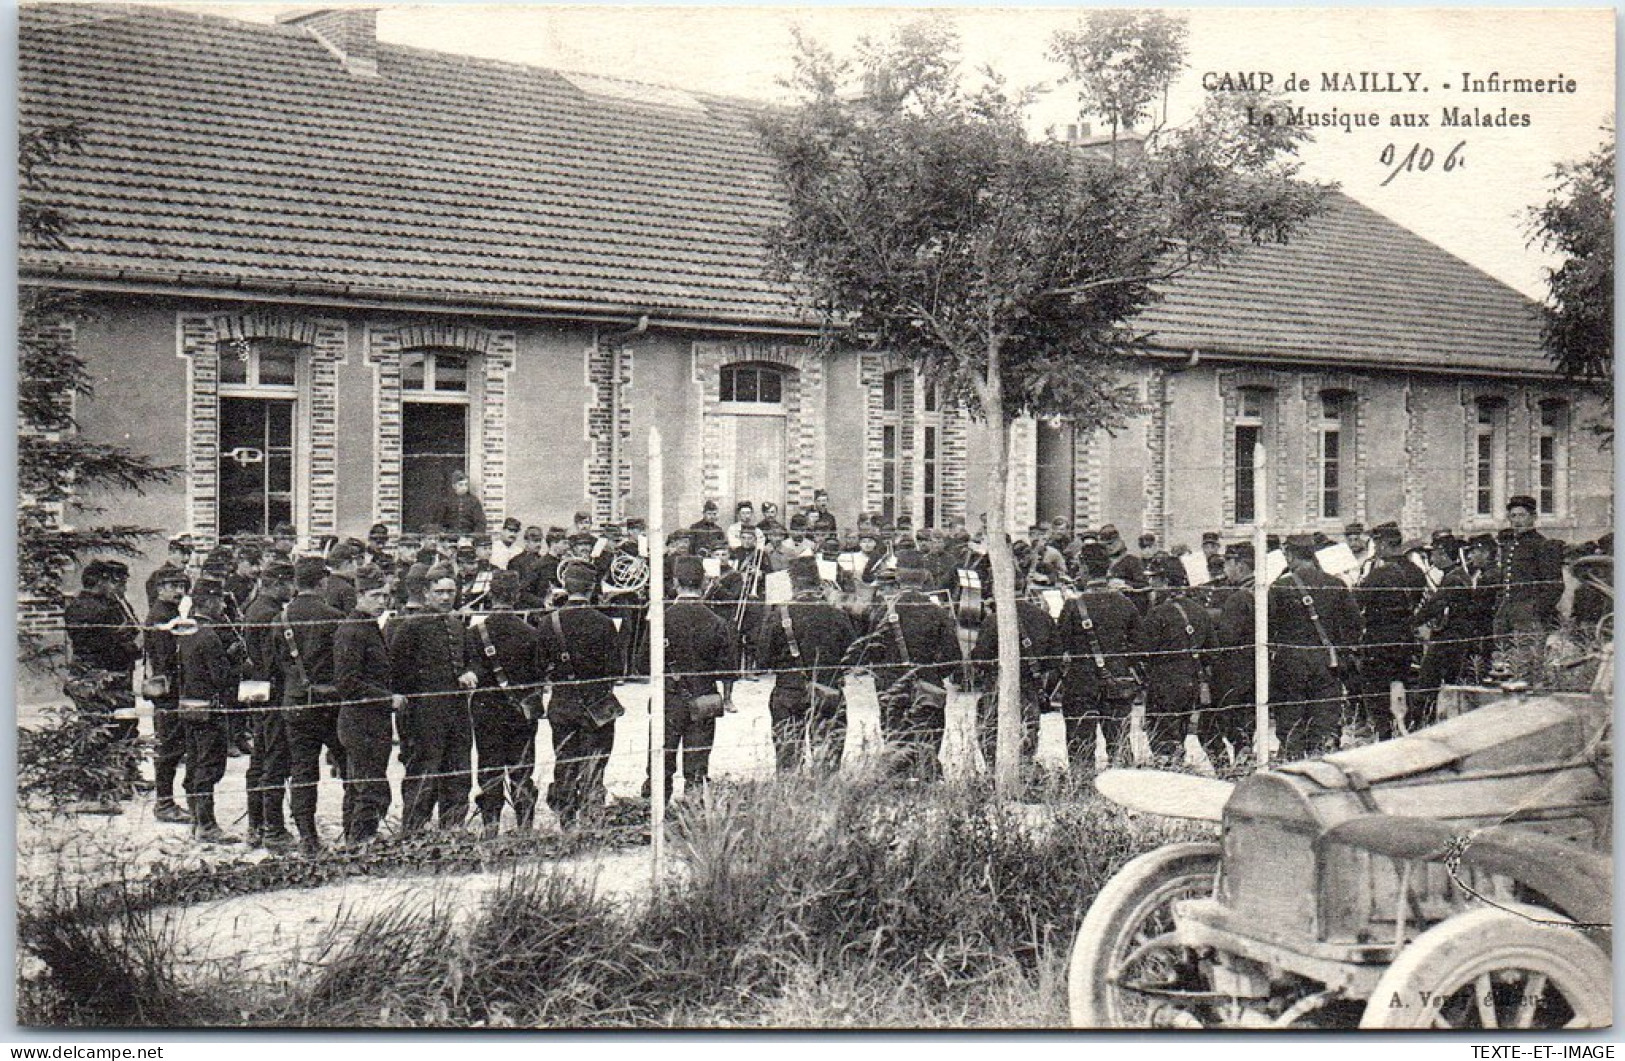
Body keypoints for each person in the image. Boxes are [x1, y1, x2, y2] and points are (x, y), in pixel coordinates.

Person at [860, 549, 962, 781]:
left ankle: (897, 785)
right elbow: (953, 656)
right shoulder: (937, 612)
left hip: (892, 684)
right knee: (927, 740)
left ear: (898, 577)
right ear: (925, 576)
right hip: (928, 683)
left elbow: (870, 652)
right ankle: (925, 783)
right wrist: (932, 673)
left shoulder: (882, 611)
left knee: (896, 741)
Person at [641, 556, 736, 800]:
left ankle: (656, 819)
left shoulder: (661, 619)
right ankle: (691, 818)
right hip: (703, 698)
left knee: (661, 764)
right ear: (703, 582)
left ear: (675, 583)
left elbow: (642, 665)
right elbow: (727, 669)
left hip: (667, 698)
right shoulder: (717, 622)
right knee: (696, 768)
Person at [536, 562, 622, 827]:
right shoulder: (606, 623)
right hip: (597, 703)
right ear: (592, 588)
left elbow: (541, 666)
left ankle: (566, 820)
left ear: (566, 587)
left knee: (565, 760)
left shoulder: (548, 622)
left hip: (563, 703)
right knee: (596, 762)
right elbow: (617, 670)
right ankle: (592, 817)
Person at [389, 573, 476, 836]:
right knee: (423, 773)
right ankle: (415, 832)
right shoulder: (410, 626)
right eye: (440, 592)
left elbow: (468, 660)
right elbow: (398, 671)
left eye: (451, 591)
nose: (446, 597)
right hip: (424, 713)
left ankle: (453, 829)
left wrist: (469, 672)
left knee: (458, 771)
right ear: (427, 593)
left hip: (456, 710)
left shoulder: (457, 625)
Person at [758, 555, 857, 772]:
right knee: (828, 763)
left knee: (788, 762)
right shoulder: (837, 614)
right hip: (828, 689)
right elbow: (854, 656)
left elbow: (762, 660)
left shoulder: (778, 615)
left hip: (788, 691)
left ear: (792, 584)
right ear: (820, 582)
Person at [279, 556, 348, 855]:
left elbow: (276, 663)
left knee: (303, 770)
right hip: (331, 702)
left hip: (295, 701)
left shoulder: (280, 618)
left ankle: (308, 837)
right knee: (348, 765)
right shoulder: (334, 617)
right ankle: (353, 830)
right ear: (322, 582)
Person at [1269, 534, 1361, 760]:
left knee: (1291, 721)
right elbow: (1355, 624)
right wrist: (1340, 649)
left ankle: (1293, 765)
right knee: (1324, 721)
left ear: (1289, 555)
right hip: (1326, 661)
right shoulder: (1336, 584)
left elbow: (1268, 626)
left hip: (1291, 660)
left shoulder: (1281, 587)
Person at [466, 571, 541, 836]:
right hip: (521, 710)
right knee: (522, 770)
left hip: (486, 712)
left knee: (489, 767)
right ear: (517, 596)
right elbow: (539, 674)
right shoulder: (531, 632)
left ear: (490, 595)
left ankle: (490, 827)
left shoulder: (475, 633)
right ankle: (525, 829)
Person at [64, 560, 144, 804]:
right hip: (100, 678)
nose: (119, 587)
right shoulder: (92, 609)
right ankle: (96, 789)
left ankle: (122, 778)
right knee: (101, 730)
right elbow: (105, 648)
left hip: (114, 675)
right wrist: (134, 647)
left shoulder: (106, 604)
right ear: (100, 582)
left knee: (123, 724)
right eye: (114, 581)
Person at [1056, 544, 1141, 769]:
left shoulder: (1073, 606)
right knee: (1120, 744)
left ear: (1084, 568)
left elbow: (1061, 644)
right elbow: (1138, 644)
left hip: (1081, 683)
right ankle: (1124, 791)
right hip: (1117, 681)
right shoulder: (1125, 603)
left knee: (1080, 746)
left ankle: (1083, 791)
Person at [334, 565, 401, 846]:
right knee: (369, 786)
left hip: (372, 720)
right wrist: (388, 698)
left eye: (385, 596)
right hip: (360, 721)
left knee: (361, 784)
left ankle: (356, 838)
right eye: (376, 595)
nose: (382, 602)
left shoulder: (369, 627)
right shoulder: (352, 631)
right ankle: (361, 840)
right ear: (360, 595)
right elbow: (347, 684)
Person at [971, 570, 1056, 782]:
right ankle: (1024, 771)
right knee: (1029, 728)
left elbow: (979, 658)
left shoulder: (993, 620)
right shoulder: (1043, 617)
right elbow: (1055, 658)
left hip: (997, 683)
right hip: (1031, 683)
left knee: (989, 727)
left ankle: (994, 771)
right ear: (1025, 586)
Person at [176, 576, 240, 844]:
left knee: (194, 762)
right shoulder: (210, 636)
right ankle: (207, 824)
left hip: (189, 706)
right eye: (220, 601)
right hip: (211, 709)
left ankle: (196, 819)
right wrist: (235, 659)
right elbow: (221, 677)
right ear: (210, 602)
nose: (223, 607)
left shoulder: (187, 631)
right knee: (209, 765)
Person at [1412, 533, 1499, 726]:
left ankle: (1421, 723)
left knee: (1428, 681)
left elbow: (1435, 604)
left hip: (1448, 638)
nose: (1431, 560)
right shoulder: (1458, 575)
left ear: (1442, 554)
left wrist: (1412, 622)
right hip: (1456, 637)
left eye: (1432, 555)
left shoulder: (1454, 578)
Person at [1355, 523, 1428, 740]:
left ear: (1385, 544)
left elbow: (1358, 602)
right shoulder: (1416, 572)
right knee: (1401, 684)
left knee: (1376, 689)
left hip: (1379, 638)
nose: (1375, 549)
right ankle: (1404, 727)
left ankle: (1384, 733)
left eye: (1376, 544)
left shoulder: (1379, 575)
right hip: (1405, 637)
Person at [1137, 556, 1214, 761]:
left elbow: (1143, 651)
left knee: (1162, 739)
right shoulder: (1199, 611)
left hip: (1164, 682)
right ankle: (1177, 765)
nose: (1151, 584)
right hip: (1191, 682)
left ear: (1166, 581)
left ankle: (1170, 773)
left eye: (1155, 579)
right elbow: (1211, 650)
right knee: (1179, 732)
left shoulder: (1158, 614)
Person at [242, 560, 296, 848]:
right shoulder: (270, 614)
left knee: (260, 758)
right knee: (274, 758)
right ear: (277, 583)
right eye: (289, 583)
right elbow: (273, 659)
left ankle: (256, 824)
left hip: (257, 689)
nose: (293, 588)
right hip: (272, 692)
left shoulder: (254, 608)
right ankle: (272, 827)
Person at [144, 566, 191, 823]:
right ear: (160, 588)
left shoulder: (171, 612)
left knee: (173, 746)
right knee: (169, 748)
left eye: (182, 586)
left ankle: (167, 800)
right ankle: (164, 803)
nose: (178, 591)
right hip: (168, 691)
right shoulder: (161, 616)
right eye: (172, 586)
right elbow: (166, 660)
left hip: (173, 689)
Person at [1205, 543, 1257, 766]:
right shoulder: (1262, 589)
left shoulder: (1238, 597)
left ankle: (1227, 771)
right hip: (1255, 669)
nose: (1224, 568)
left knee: (1213, 727)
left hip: (1233, 672)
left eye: (1227, 562)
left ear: (1240, 565)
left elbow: (1226, 637)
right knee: (1245, 726)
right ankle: (1240, 766)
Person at [1494, 495, 1565, 645]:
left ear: (1533, 517)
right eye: (1513, 516)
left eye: (1521, 515)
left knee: (1526, 658)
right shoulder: (1509, 545)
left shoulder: (1543, 545)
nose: (1517, 521)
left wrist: (1534, 610)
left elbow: (1554, 586)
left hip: (1529, 617)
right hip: (1506, 613)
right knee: (1503, 658)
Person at [145, 535, 194, 605]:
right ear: (171, 552)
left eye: (189, 554)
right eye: (183, 553)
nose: (187, 558)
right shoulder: (157, 576)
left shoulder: (185, 577)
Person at [436, 471, 487, 536]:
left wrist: (476, 535)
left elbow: (480, 522)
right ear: (454, 486)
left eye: (466, 485)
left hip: (469, 536)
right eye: (460, 485)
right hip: (450, 536)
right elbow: (439, 521)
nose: (464, 487)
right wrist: (443, 532)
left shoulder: (474, 501)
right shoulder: (446, 501)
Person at [322, 542, 361, 616]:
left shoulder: (324, 583)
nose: (356, 568)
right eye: (355, 563)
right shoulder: (347, 589)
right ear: (346, 564)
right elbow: (352, 618)